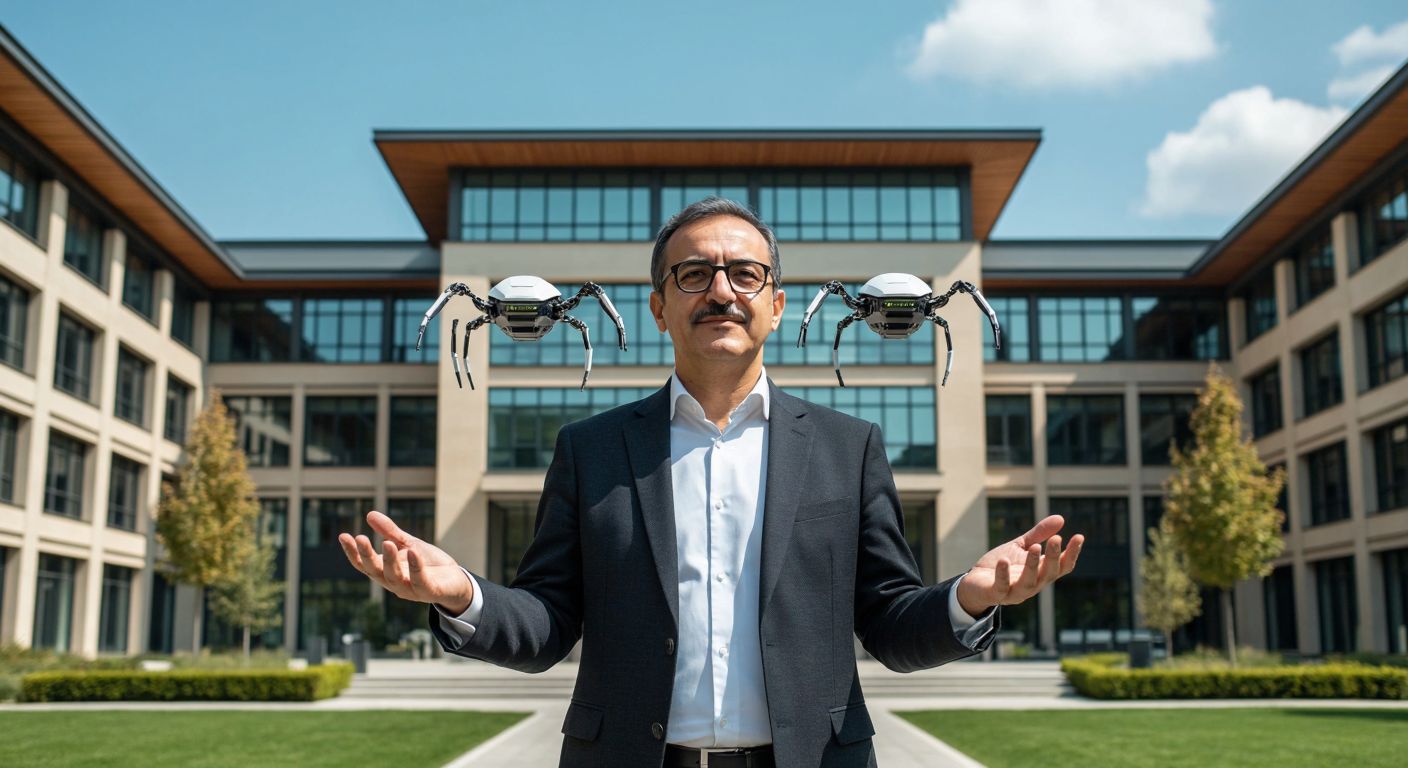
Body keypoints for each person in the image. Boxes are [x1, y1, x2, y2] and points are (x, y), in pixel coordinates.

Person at [339, 197, 1083, 768]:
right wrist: (460, 594)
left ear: (777, 303)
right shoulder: (590, 451)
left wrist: (969, 600)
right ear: (659, 307)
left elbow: (888, 625)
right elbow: (545, 627)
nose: (720, 290)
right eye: (693, 275)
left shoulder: (848, 448)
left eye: (745, 274)